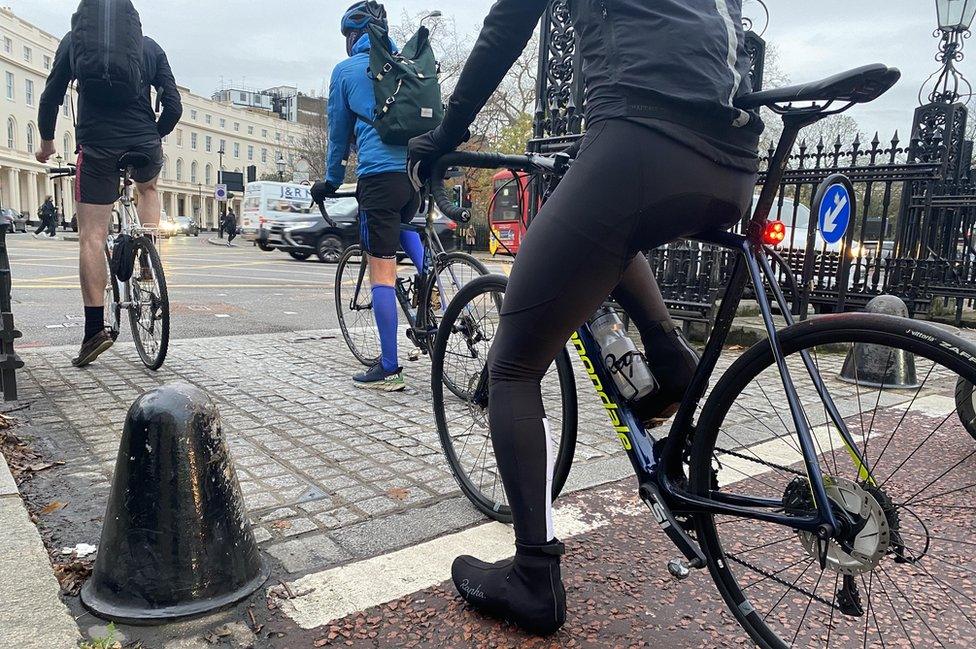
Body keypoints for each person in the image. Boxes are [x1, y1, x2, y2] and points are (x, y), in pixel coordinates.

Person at [408, 0, 762, 635]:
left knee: (513, 366)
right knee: (609, 232)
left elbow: (505, 28)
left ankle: (533, 576)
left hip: (643, 142)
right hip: (732, 162)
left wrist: (446, 135)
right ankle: (671, 360)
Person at [36, 0, 182, 368]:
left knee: (92, 236)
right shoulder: (150, 48)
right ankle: (147, 256)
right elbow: (174, 105)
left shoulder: (75, 41)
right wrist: (154, 135)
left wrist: (47, 143)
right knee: (148, 188)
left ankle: (93, 332)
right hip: (144, 143)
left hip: (98, 146)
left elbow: (51, 95)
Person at [312, 1, 427, 392]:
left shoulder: (345, 71)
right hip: (415, 175)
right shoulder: (404, 61)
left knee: (383, 272)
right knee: (406, 226)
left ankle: (390, 368)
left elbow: (338, 135)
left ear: (351, 36)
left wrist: (329, 180)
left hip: (379, 178)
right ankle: (440, 294)